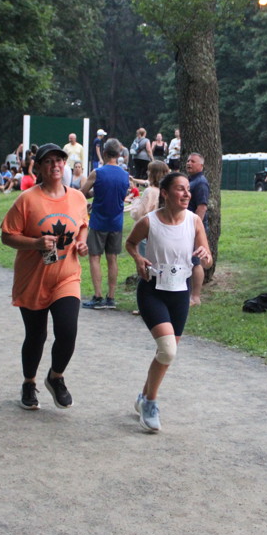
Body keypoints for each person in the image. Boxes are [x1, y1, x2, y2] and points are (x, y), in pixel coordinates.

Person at [1, 143, 89, 411]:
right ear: (38, 167)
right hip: (33, 278)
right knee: (36, 336)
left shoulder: (77, 197)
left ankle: (56, 377)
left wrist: (82, 242)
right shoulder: (27, 199)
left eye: (59, 160)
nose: (55, 165)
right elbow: (7, 236)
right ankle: (29, 383)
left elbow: (83, 225)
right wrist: (36, 244)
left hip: (66, 277)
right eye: (48, 161)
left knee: (67, 331)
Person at [126, 171, 213, 432]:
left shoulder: (194, 221)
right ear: (165, 193)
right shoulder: (149, 221)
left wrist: (205, 256)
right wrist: (138, 259)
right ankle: (151, 404)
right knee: (167, 350)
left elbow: (207, 259)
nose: (187, 193)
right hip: (152, 291)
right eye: (180, 189)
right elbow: (130, 243)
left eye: (188, 189)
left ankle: (144, 396)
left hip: (180, 293)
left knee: (166, 353)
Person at [80, 138, 131, 310]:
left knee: (95, 257)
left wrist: (93, 196)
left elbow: (82, 193)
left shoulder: (97, 173)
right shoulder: (125, 175)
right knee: (112, 258)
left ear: (104, 153)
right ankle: (111, 297)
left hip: (98, 221)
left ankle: (98, 296)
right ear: (118, 154)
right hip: (116, 222)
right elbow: (121, 195)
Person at [185, 152, 209, 307]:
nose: (189, 163)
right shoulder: (191, 180)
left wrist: (195, 227)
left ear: (201, 165)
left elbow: (202, 207)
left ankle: (195, 297)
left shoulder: (200, 182)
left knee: (195, 262)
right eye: (188, 160)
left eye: (193, 161)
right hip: (187, 227)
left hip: (194, 228)